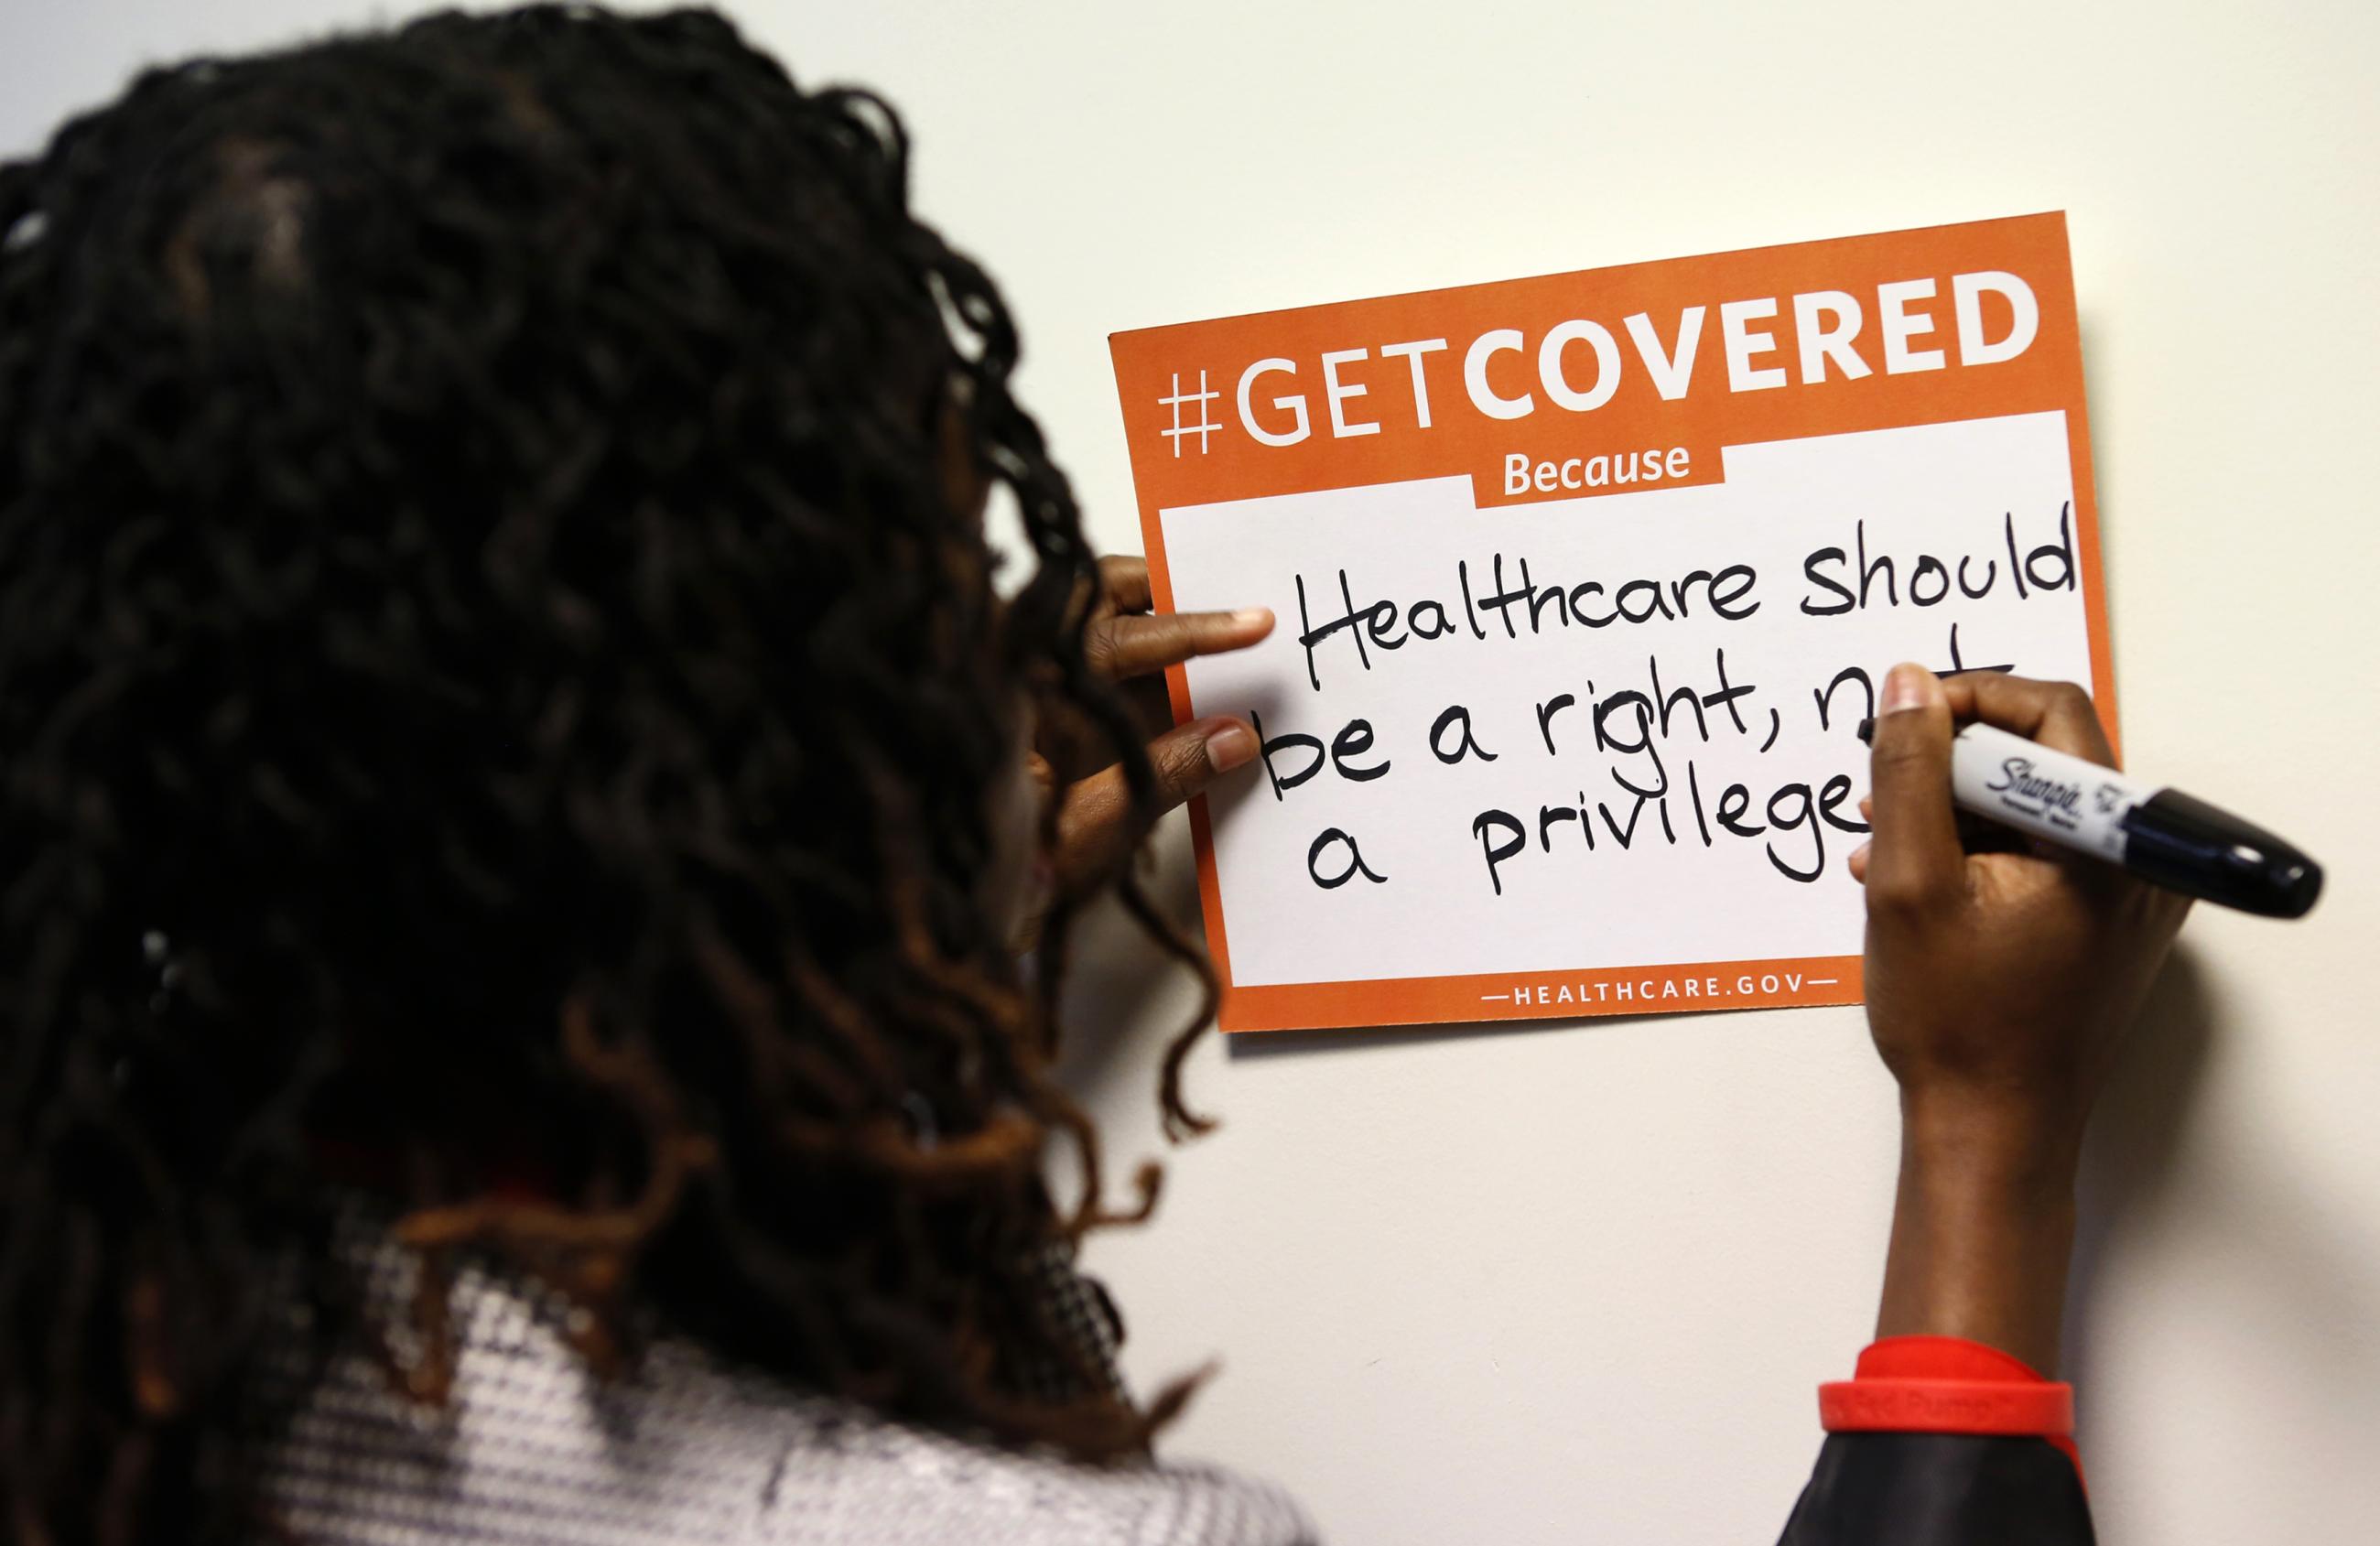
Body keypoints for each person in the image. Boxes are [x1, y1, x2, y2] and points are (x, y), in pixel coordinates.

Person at [0, 6, 2189, 1542]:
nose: (1002, 642)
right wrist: (1990, 1148)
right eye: (941, 582)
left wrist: (883, 986)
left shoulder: (93, 1347)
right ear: (754, 774)